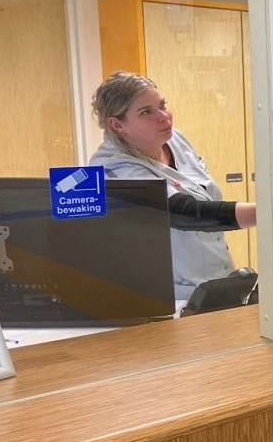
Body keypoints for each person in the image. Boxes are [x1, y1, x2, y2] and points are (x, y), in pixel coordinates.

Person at [89, 71, 256, 301]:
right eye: (146, 112)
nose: (164, 116)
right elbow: (186, 213)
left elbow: (207, 206)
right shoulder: (114, 169)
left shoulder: (173, 139)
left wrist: (231, 276)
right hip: (173, 295)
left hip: (216, 281)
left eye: (162, 105)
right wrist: (264, 213)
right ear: (117, 124)